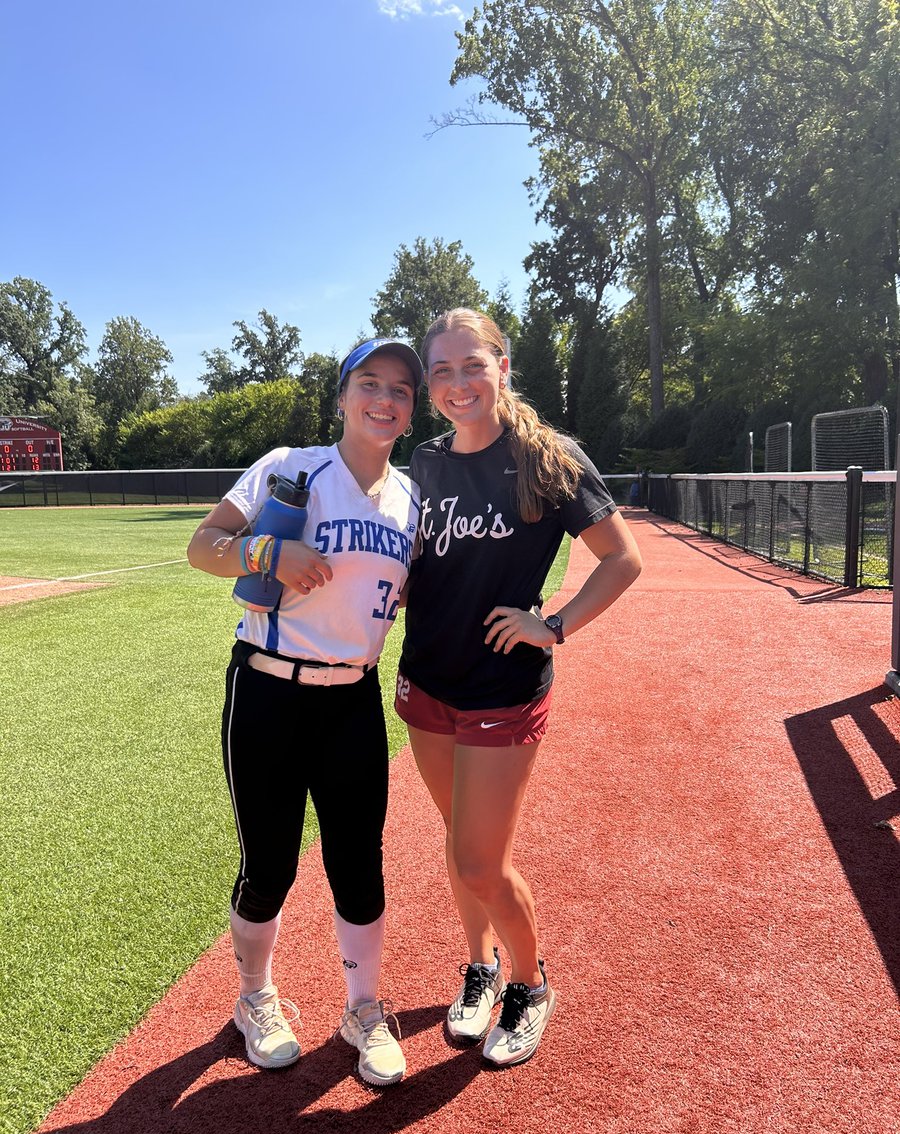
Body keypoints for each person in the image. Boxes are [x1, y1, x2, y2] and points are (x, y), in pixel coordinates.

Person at [395, 308, 642, 1068]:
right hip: (427, 682)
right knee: (457, 840)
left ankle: (531, 987)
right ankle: (481, 967)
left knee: (480, 861)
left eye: (474, 364)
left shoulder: (547, 459)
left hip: (503, 687)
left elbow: (621, 559)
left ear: (503, 366)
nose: (458, 382)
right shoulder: (426, 462)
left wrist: (555, 624)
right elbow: (420, 562)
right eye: (442, 370)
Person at [187, 337, 422, 1086]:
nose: (385, 399)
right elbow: (203, 546)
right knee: (270, 864)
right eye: (370, 383)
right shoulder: (291, 466)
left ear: (411, 411)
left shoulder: (412, 500)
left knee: (360, 862)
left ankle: (364, 1009)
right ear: (343, 396)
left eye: (401, 390)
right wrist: (264, 554)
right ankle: (254, 998)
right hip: (266, 689)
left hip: (352, 698)